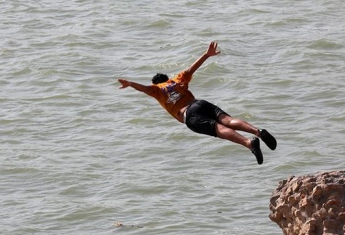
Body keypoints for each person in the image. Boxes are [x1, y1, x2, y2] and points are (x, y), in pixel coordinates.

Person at [117, 41, 277, 165]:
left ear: (156, 83)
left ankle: (249, 143)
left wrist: (130, 83)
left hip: (190, 114)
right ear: (166, 79)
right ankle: (258, 131)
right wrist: (207, 55)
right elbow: (191, 69)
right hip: (200, 103)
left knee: (220, 130)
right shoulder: (176, 80)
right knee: (228, 121)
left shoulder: (156, 90)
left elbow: (144, 89)